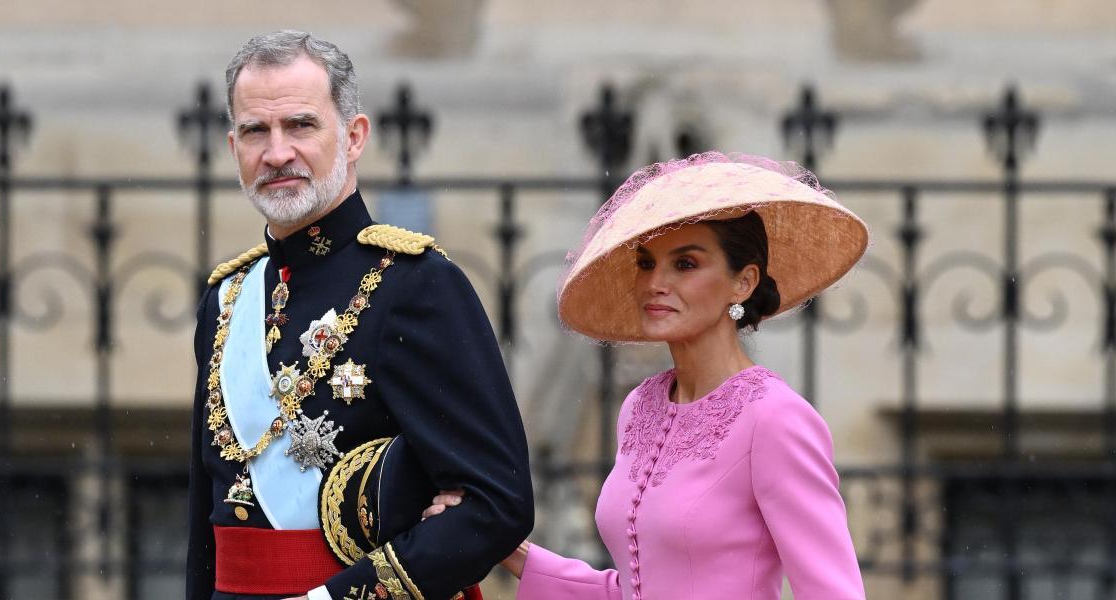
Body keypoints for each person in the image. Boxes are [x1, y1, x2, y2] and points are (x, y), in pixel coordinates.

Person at [424, 152, 869, 599]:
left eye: (686, 263)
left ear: (743, 282)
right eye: (645, 262)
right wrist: (510, 552)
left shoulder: (776, 419)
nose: (655, 281)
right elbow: (634, 590)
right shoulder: (641, 406)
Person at [186, 30, 534, 600]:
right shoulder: (227, 297)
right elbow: (208, 518)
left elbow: (498, 503)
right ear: (233, 149)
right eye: (256, 131)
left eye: (300, 125)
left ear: (353, 137)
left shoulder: (416, 284)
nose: (277, 154)